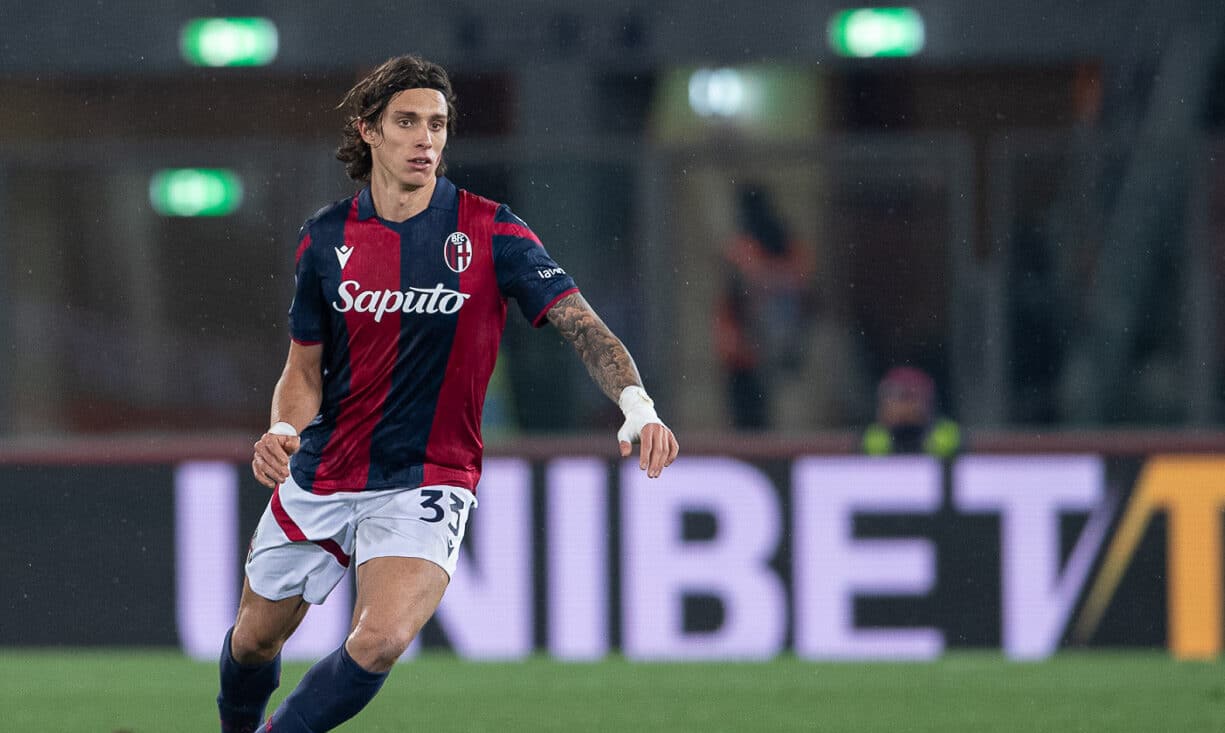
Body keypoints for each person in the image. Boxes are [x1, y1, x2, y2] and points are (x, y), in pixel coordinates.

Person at [217, 54, 679, 733]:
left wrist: (637, 405)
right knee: (253, 640)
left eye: (436, 124)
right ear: (369, 130)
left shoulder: (491, 230)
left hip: (428, 476)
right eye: (407, 122)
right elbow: (304, 369)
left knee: (379, 640)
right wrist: (284, 430)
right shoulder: (324, 239)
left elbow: (582, 325)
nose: (425, 139)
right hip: (324, 469)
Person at [713, 183, 814, 429]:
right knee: (752, 412)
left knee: (774, 409)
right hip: (749, 347)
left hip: (774, 342)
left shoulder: (761, 246)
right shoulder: (752, 246)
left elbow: (793, 281)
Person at [861, 366, 960, 459]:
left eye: (908, 397)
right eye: (890, 398)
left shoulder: (948, 436)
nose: (903, 407)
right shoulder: (872, 440)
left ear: (927, 401)